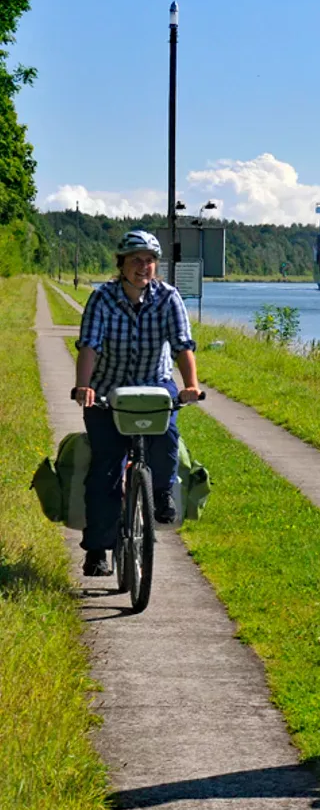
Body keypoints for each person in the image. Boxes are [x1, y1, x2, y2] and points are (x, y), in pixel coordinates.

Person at [71, 229, 202, 576]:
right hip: (108, 390)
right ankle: (97, 550)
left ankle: (160, 492)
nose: (143, 267)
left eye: (149, 261)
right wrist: (83, 386)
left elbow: (182, 346)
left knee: (166, 437)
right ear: (122, 265)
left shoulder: (168, 298)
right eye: (135, 261)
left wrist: (190, 385)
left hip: (153, 386)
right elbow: (90, 346)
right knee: (106, 470)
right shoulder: (102, 299)